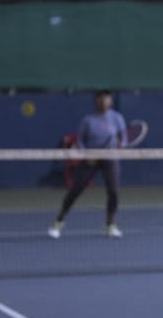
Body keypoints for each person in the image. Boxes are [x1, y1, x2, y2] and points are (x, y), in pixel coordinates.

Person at [48, 89, 128, 239]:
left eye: (106, 99)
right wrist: (86, 155)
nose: (103, 102)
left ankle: (110, 225)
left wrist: (120, 145)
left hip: (110, 159)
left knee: (114, 192)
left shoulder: (117, 118)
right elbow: (80, 141)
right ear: (95, 101)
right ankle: (58, 222)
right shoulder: (88, 120)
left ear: (110, 101)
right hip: (90, 160)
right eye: (100, 99)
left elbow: (124, 139)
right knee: (75, 190)